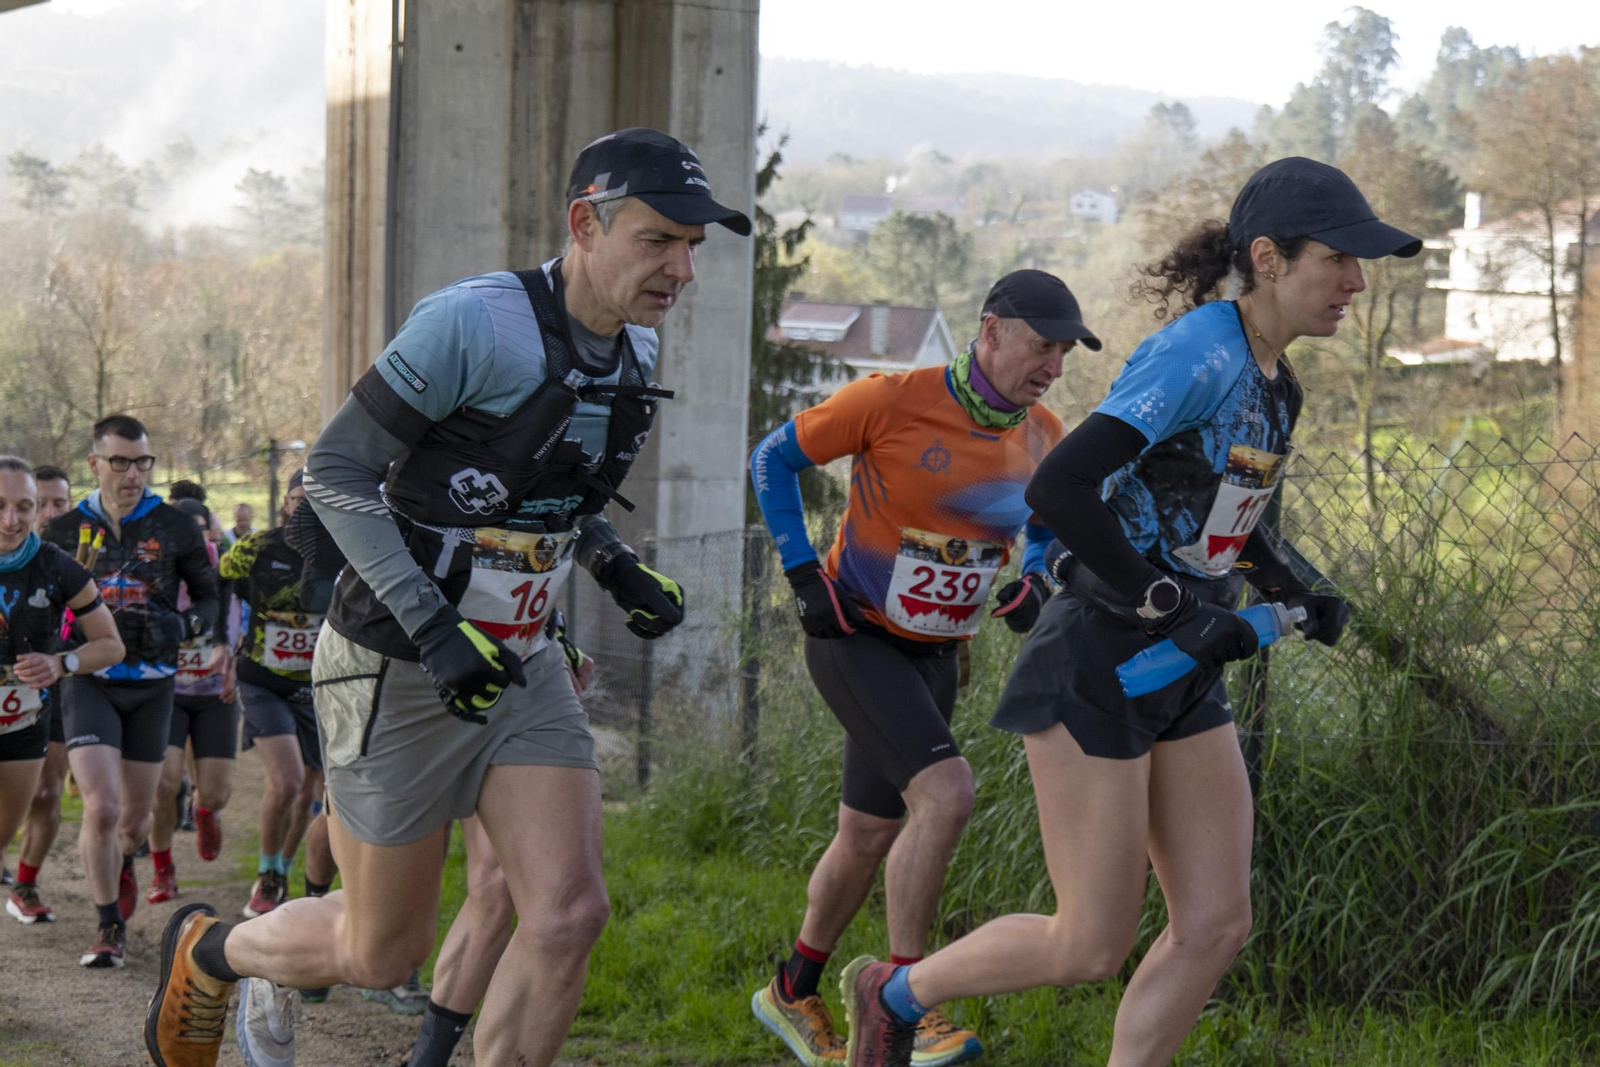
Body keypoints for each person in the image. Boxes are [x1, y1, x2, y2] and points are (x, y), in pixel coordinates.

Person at [146, 126, 749, 1067]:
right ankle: (213, 948)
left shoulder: (630, 345)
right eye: (659, 239)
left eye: (693, 247)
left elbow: (537, 489)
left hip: (523, 662)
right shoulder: (474, 322)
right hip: (397, 655)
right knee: (380, 949)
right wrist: (435, 629)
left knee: (568, 912)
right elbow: (337, 472)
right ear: (585, 223)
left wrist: (608, 561)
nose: (682, 268)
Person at [839, 158, 1414, 1067]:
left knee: (1216, 921)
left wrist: (1295, 586)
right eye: (1339, 259)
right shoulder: (1199, 352)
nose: (1357, 282)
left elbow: (1230, 519)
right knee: (1089, 944)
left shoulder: (1277, 383)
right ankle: (894, 992)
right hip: (1099, 656)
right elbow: (1064, 486)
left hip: (1183, 665)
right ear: (1268, 258)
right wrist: (1168, 603)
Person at [747, 270, 1089, 1066]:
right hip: (856, 637)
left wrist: (1033, 574)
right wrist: (802, 576)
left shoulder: (1044, 433)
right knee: (947, 794)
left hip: (938, 655)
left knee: (868, 831)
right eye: (1043, 345)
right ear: (992, 329)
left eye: (1066, 351)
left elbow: (1042, 525)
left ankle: (793, 987)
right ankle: (901, 999)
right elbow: (774, 459)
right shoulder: (891, 398)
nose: (1054, 365)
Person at [43, 414, 220, 968]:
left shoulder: (174, 526)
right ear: (94, 464)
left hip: (153, 684)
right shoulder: (64, 530)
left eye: (142, 462)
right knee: (100, 806)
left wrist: (188, 628)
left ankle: (125, 860)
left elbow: (210, 595)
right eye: (119, 462)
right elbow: (40, 603)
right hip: (89, 680)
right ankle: (107, 927)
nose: (133, 474)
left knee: (135, 820)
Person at [0, 458, 126, 925]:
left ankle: (25, 885)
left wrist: (60, 662)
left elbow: (111, 645)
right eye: (0, 507)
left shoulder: (57, 568)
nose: (11, 521)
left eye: (23, 507)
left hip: (22, 725)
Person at [219, 472, 323, 918]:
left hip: (320, 685)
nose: (302, 509)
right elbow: (221, 584)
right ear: (284, 503)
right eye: (296, 500)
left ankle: (282, 869)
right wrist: (223, 645)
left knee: (308, 794)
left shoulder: (341, 549)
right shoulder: (256, 548)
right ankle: (267, 875)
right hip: (263, 678)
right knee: (286, 781)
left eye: (312, 501)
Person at [145, 497, 239, 904]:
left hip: (214, 693)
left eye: (202, 530)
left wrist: (234, 653)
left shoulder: (225, 567)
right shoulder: (153, 571)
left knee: (215, 794)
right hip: (167, 694)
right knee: (163, 786)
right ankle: (162, 869)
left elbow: (252, 616)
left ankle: (204, 812)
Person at [9, 463, 77, 923]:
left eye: (58, 504)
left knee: (48, 794)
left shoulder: (76, 555)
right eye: (43, 503)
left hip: (62, 686)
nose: (49, 513)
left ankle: (26, 883)